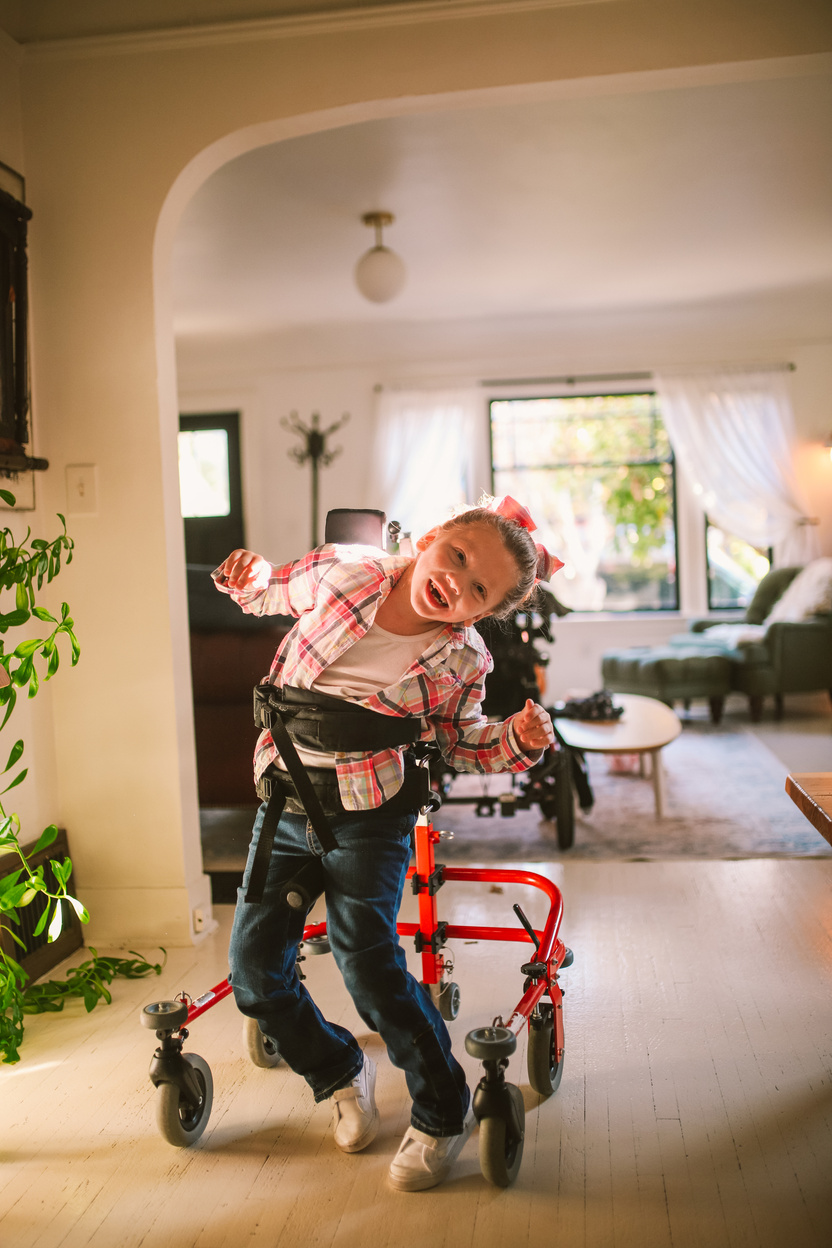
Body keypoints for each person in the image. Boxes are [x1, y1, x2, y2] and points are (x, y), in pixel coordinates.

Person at [212, 494, 563, 1191]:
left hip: (372, 813)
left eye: (478, 588)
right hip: (285, 795)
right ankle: (339, 1071)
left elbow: (461, 742)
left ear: (481, 611)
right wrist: (247, 576)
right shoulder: (349, 571)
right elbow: (273, 589)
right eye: (456, 556)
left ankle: (442, 1107)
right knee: (254, 974)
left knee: (368, 965)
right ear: (431, 537)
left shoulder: (462, 661)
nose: (456, 581)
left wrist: (515, 743)